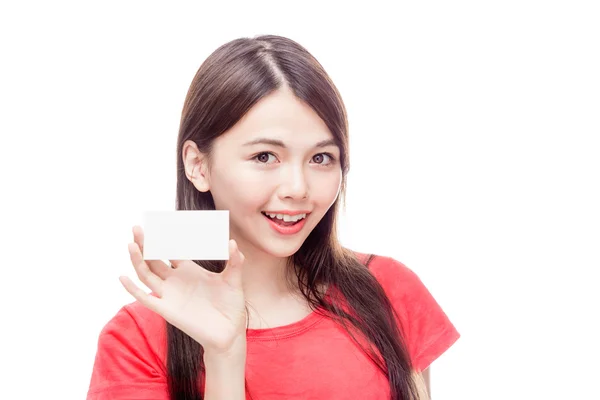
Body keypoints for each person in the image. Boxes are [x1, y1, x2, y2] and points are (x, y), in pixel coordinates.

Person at [86, 34, 460, 400]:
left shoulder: (389, 289)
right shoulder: (136, 338)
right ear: (197, 165)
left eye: (320, 158)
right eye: (265, 156)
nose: (298, 188)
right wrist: (224, 357)